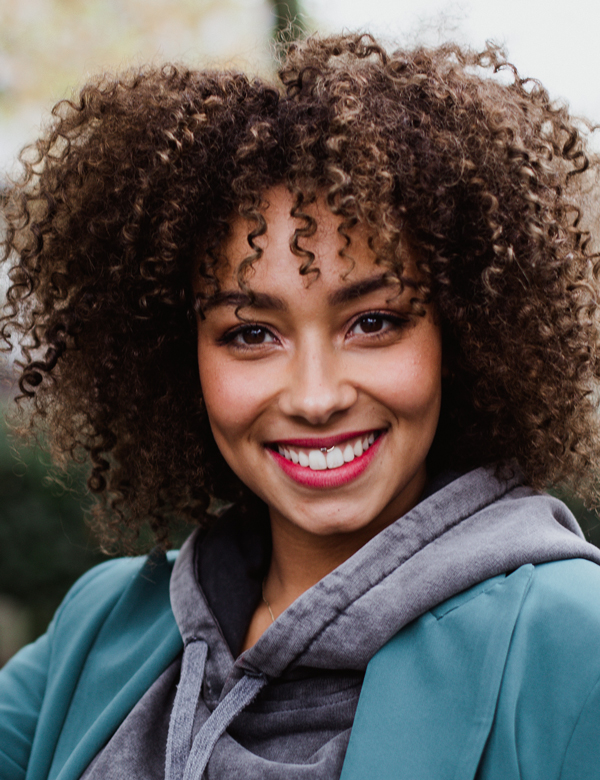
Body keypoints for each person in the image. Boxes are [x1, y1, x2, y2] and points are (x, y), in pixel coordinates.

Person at [2, 31, 600, 780]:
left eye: (373, 322)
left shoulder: (576, 641)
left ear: (465, 332)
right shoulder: (101, 627)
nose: (316, 397)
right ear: (175, 352)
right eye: (251, 333)